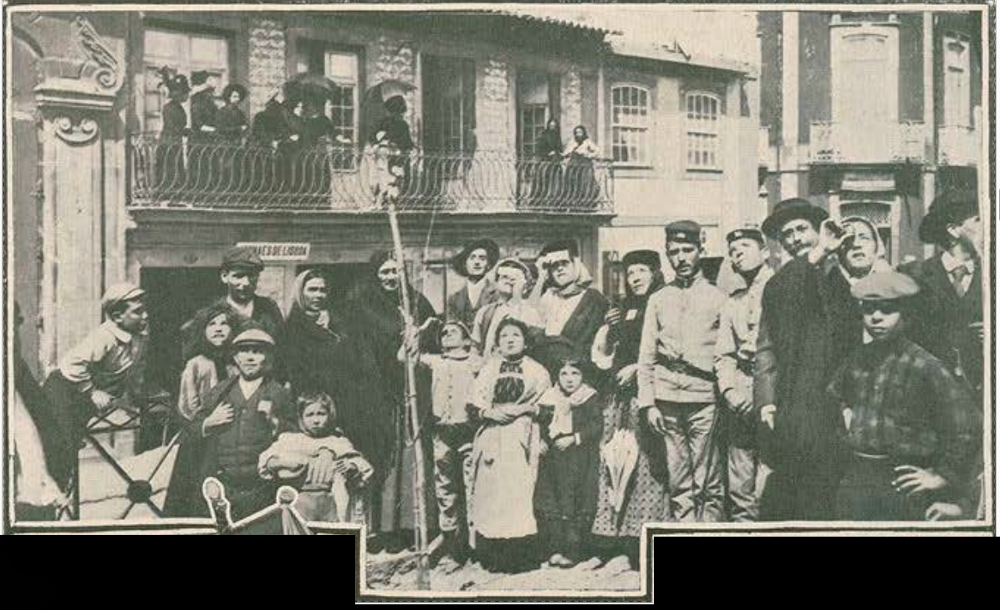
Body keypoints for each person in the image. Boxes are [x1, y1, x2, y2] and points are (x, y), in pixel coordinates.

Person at [828, 271, 979, 521]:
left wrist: (942, 475)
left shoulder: (926, 366)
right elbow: (834, 395)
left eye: (887, 310)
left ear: (906, 316)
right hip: (856, 479)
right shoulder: (856, 360)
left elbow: (968, 426)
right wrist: (845, 413)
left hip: (901, 483)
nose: (876, 318)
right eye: (869, 310)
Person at [755, 197, 853, 521]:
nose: (795, 238)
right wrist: (766, 399)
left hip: (840, 398)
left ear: (817, 231)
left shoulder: (840, 278)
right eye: (787, 234)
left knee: (839, 486)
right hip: (798, 399)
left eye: (802, 229)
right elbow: (766, 345)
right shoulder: (780, 283)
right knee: (801, 487)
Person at [345, 250, 437, 550]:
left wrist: (417, 341)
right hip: (378, 393)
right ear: (375, 274)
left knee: (411, 458)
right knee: (385, 459)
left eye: (395, 271)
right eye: (384, 272)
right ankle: (382, 528)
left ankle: (412, 526)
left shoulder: (417, 302)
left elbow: (433, 337)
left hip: (412, 395)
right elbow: (361, 349)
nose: (389, 277)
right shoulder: (362, 305)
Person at [638, 221, 727, 523]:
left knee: (707, 479)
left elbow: (726, 353)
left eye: (688, 250)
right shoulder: (658, 299)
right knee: (679, 480)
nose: (681, 258)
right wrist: (648, 403)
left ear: (701, 250)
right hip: (666, 399)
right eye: (673, 252)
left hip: (704, 397)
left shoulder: (718, 298)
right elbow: (646, 356)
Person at [165, 327, 296, 520]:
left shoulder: (279, 394)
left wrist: (275, 421)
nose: (250, 358)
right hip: (222, 486)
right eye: (244, 351)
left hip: (261, 489)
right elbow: (190, 432)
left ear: (267, 358)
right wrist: (208, 423)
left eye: (257, 352)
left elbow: (297, 437)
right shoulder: (220, 392)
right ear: (235, 357)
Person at [591, 249, 669, 565]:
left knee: (645, 468)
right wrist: (609, 328)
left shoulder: (663, 301)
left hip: (647, 396)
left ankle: (640, 546)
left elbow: (666, 348)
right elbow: (604, 353)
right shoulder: (623, 308)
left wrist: (637, 368)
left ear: (654, 273)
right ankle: (614, 542)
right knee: (614, 464)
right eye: (631, 273)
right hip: (618, 399)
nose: (635, 278)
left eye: (641, 271)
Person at [41, 283, 149, 494]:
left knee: (73, 442)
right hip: (64, 389)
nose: (145, 316)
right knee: (62, 445)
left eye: (145, 310)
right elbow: (72, 364)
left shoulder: (139, 337)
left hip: (85, 395)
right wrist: (92, 391)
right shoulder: (104, 337)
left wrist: (136, 397)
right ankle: (56, 498)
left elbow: (133, 370)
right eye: (137, 312)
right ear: (117, 316)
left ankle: (64, 493)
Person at [468, 318, 551, 573]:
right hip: (492, 435)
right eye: (504, 336)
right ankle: (493, 556)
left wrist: (527, 408)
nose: (510, 339)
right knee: (491, 495)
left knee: (518, 495)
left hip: (522, 436)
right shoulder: (489, 370)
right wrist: (489, 414)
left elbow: (549, 408)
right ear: (498, 343)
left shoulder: (537, 371)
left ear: (525, 343)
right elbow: (473, 403)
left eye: (516, 335)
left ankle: (520, 557)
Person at [400, 320, 483, 567]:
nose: (447, 334)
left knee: (471, 485)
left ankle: (474, 546)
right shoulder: (436, 361)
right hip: (442, 431)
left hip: (468, 430)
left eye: (454, 332)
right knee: (445, 487)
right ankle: (451, 542)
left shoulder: (476, 362)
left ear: (467, 340)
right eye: (444, 332)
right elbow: (404, 357)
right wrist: (416, 332)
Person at [280, 269, 381, 473]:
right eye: (312, 290)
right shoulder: (291, 328)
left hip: (347, 401)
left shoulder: (340, 322)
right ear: (300, 292)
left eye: (322, 290)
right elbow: (292, 371)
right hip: (314, 404)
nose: (318, 295)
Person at [715, 228, 774, 522]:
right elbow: (724, 354)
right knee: (740, 478)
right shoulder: (732, 302)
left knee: (772, 474)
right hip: (740, 393)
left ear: (765, 251)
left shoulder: (781, 289)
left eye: (745, 246)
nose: (737, 253)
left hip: (774, 394)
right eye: (732, 250)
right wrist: (729, 391)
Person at [901, 190, 984, 396]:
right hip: (930, 393)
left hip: (982, 393)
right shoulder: (915, 276)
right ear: (953, 230)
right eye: (978, 220)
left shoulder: (992, 273)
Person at [259, 392, 374, 523]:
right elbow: (266, 461)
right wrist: (283, 463)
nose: (316, 420)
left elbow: (364, 469)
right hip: (300, 501)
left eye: (321, 414)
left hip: (330, 503)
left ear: (330, 415)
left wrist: (351, 467)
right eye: (309, 415)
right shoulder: (290, 440)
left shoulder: (338, 442)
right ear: (301, 418)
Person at [534, 355, 603, 568]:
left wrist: (574, 438)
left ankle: (574, 551)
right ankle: (555, 548)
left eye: (575, 373)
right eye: (564, 374)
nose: (569, 379)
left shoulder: (588, 396)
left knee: (573, 501)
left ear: (583, 376)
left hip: (579, 458)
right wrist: (542, 440)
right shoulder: (549, 397)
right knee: (551, 499)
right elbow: (541, 423)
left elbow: (596, 425)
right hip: (553, 459)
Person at [182, 245, 285, 362]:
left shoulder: (269, 308)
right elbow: (192, 354)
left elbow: (282, 348)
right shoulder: (211, 312)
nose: (245, 282)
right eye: (238, 276)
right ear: (224, 277)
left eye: (251, 276)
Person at [534, 239, 610, 377]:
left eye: (564, 263)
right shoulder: (547, 298)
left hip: (581, 374)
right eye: (554, 266)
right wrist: (541, 278)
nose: (559, 269)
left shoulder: (594, 299)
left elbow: (600, 346)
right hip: (546, 373)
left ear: (576, 265)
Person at [177, 302, 237, 421]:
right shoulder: (196, 364)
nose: (218, 329)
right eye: (212, 324)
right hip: (204, 424)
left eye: (224, 324)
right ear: (203, 331)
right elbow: (187, 407)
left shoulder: (237, 361)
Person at [473, 257, 543, 358]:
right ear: (496, 283)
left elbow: (535, 342)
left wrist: (517, 298)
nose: (509, 281)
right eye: (504, 277)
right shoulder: (485, 312)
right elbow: (475, 345)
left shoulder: (530, 311)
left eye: (514, 278)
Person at [447, 238, 501, 330]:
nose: (477, 262)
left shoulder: (498, 294)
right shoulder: (454, 299)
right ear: (465, 264)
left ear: (488, 264)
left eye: (482, 258)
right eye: (472, 258)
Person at [155, 68, 190, 191]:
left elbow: (180, 127)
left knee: (175, 168)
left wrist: (186, 131)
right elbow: (172, 127)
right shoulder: (169, 108)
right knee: (168, 169)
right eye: (184, 93)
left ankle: (175, 191)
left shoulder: (179, 108)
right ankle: (166, 192)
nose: (186, 96)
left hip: (175, 141)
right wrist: (186, 132)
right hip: (168, 142)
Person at [188, 71, 220, 190]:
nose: (211, 94)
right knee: (201, 170)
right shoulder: (197, 104)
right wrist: (216, 130)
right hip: (199, 141)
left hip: (210, 141)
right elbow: (199, 125)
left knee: (211, 168)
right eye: (209, 91)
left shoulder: (210, 104)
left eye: (211, 91)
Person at [216, 83, 250, 191]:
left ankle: (236, 190)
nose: (237, 99)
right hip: (225, 144)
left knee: (238, 168)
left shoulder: (240, 113)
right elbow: (221, 129)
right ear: (228, 97)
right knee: (226, 168)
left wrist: (245, 132)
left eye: (238, 97)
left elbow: (246, 126)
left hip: (237, 144)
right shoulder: (222, 112)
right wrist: (238, 129)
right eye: (234, 96)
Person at [562, 125, 601, 209]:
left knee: (584, 183)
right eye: (576, 133)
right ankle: (572, 203)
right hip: (573, 165)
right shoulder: (572, 142)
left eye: (580, 132)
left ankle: (586, 203)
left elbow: (597, 151)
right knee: (573, 183)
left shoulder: (587, 142)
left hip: (584, 164)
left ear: (583, 133)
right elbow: (567, 152)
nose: (578, 134)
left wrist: (589, 155)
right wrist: (564, 155)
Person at [531, 118, 564, 204]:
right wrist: (547, 153)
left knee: (555, 182)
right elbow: (539, 148)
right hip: (545, 161)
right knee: (543, 181)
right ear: (548, 125)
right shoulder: (544, 135)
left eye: (554, 126)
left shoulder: (557, 136)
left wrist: (557, 152)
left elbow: (560, 148)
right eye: (551, 125)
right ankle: (539, 201)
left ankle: (554, 201)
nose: (552, 127)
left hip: (555, 162)